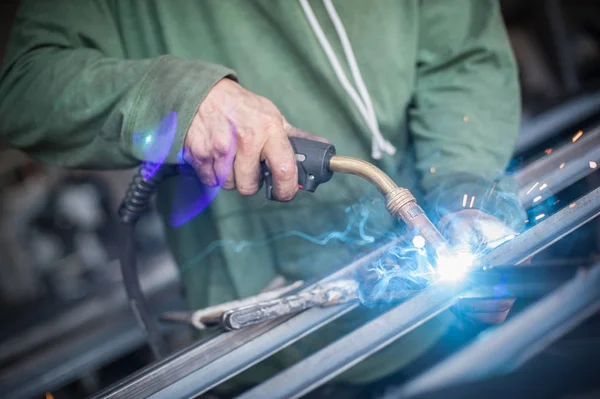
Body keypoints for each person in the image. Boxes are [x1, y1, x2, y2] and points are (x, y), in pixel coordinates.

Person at [0, 0, 525, 395]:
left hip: (436, 333)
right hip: (268, 366)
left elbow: (463, 54)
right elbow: (25, 84)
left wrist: (462, 186)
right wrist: (179, 98)